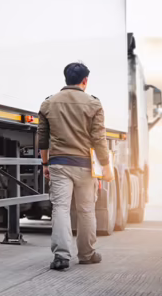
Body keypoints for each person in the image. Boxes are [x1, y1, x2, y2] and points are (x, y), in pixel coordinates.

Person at [37, 62, 114, 271]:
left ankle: (61, 256)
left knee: (61, 209)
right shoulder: (94, 104)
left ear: (66, 78)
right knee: (86, 210)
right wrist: (106, 166)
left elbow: (42, 139)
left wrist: (45, 164)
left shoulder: (48, 103)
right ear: (85, 81)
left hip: (59, 164)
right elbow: (99, 139)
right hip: (85, 166)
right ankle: (87, 254)